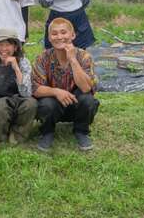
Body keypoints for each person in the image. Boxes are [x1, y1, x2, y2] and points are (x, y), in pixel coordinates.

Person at [32, 18, 99, 152]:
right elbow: (36, 88)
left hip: (76, 105)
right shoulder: (42, 58)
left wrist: (73, 60)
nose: (59, 37)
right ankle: (47, 132)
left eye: (64, 32)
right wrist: (57, 92)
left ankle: (81, 131)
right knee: (45, 103)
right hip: (54, 106)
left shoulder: (84, 56)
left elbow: (86, 87)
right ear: (49, 38)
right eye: (54, 34)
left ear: (73, 35)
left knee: (88, 99)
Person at [0, 28, 37, 143]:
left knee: (31, 104)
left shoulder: (23, 62)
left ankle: (17, 136)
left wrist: (16, 68)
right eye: (0, 45)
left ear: (15, 47)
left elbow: (26, 93)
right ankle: (0, 137)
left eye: (8, 45)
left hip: (18, 97)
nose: (4, 49)